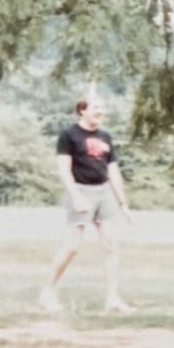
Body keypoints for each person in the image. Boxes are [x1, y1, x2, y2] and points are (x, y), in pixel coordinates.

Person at [39, 96, 132, 315]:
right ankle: (48, 292)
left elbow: (113, 171)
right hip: (80, 190)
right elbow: (64, 167)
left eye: (102, 107)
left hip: (104, 193)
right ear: (83, 110)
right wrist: (76, 196)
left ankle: (112, 298)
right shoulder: (69, 135)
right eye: (96, 107)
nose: (100, 111)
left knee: (111, 245)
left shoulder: (105, 136)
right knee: (72, 246)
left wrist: (123, 203)